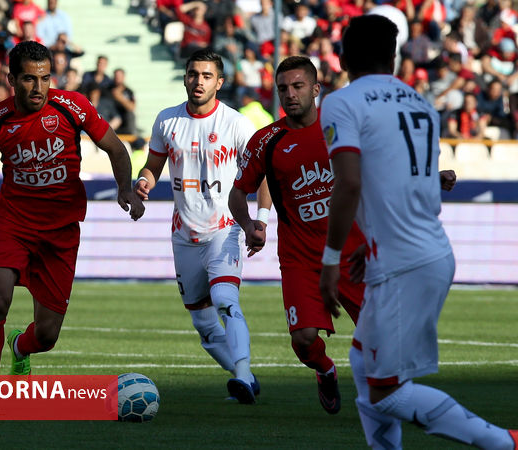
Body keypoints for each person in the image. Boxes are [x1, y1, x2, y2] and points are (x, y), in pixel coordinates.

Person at [319, 15, 518, 449]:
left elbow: (349, 182)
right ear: (392, 57)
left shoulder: (339, 102)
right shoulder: (420, 102)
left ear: (342, 57)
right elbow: (419, 186)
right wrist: (371, 244)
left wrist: (331, 259)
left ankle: (502, 442)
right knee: (360, 359)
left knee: (387, 391)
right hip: (419, 251)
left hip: (402, 264)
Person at [0, 41, 144, 417]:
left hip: (60, 235)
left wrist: (125, 187)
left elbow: (116, 149)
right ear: (12, 80)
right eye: (29, 79)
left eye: (44, 78)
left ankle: (20, 348)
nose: (38, 87)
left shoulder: (73, 106)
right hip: (14, 225)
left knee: (47, 336)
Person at [229, 56, 366, 415]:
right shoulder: (266, 141)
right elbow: (236, 192)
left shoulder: (343, 126)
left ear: (316, 89)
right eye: (283, 89)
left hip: (354, 252)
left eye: (298, 86)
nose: (290, 94)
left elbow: (387, 162)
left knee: (382, 337)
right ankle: (326, 369)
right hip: (301, 259)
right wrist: (249, 225)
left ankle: (385, 402)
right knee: (304, 341)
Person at [134, 48, 268, 404]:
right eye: (193, 74)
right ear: (185, 77)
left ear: (219, 83)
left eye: (207, 76)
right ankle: (246, 379)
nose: (199, 81)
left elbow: (263, 176)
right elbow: (153, 166)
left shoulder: (236, 124)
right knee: (205, 327)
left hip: (224, 228)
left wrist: (261, 220)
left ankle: (240, 376)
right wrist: (143, 181)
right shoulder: (166, 121)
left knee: (226, 301)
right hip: (184, 234)